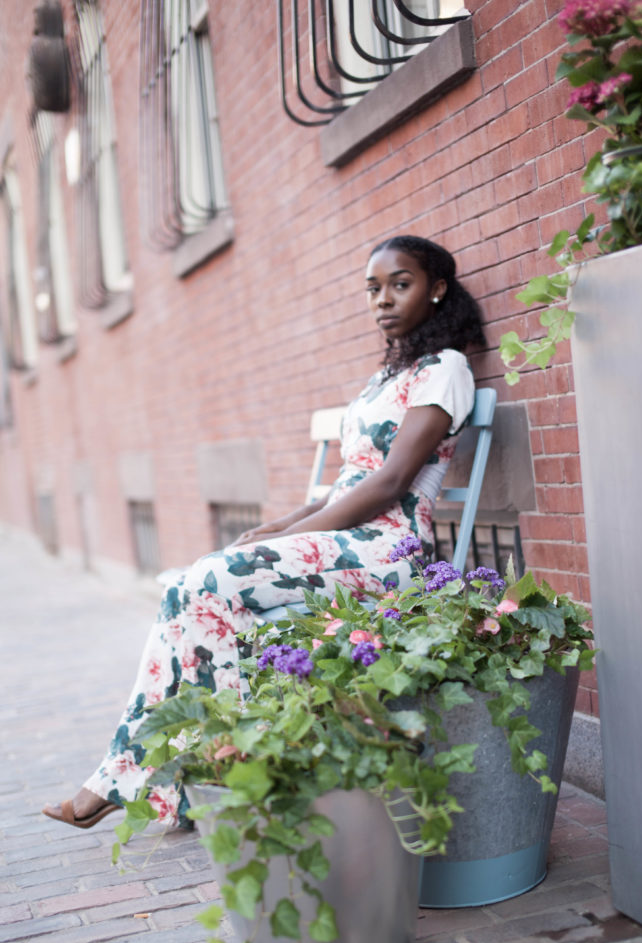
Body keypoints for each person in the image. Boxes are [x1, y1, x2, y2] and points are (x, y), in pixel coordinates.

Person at [42, 234, 486, 830]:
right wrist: (269, 530)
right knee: (195, 590)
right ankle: (197, 776)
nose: (383, 299)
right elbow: (338, 491)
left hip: (387, 549)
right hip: (342, 540)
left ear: (436, 289)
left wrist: (279, 544)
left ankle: (189, 779)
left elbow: (390, 483)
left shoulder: (443, 371)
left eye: (399, 284)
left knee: (206, 585)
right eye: (373, 288)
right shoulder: (384, 379)